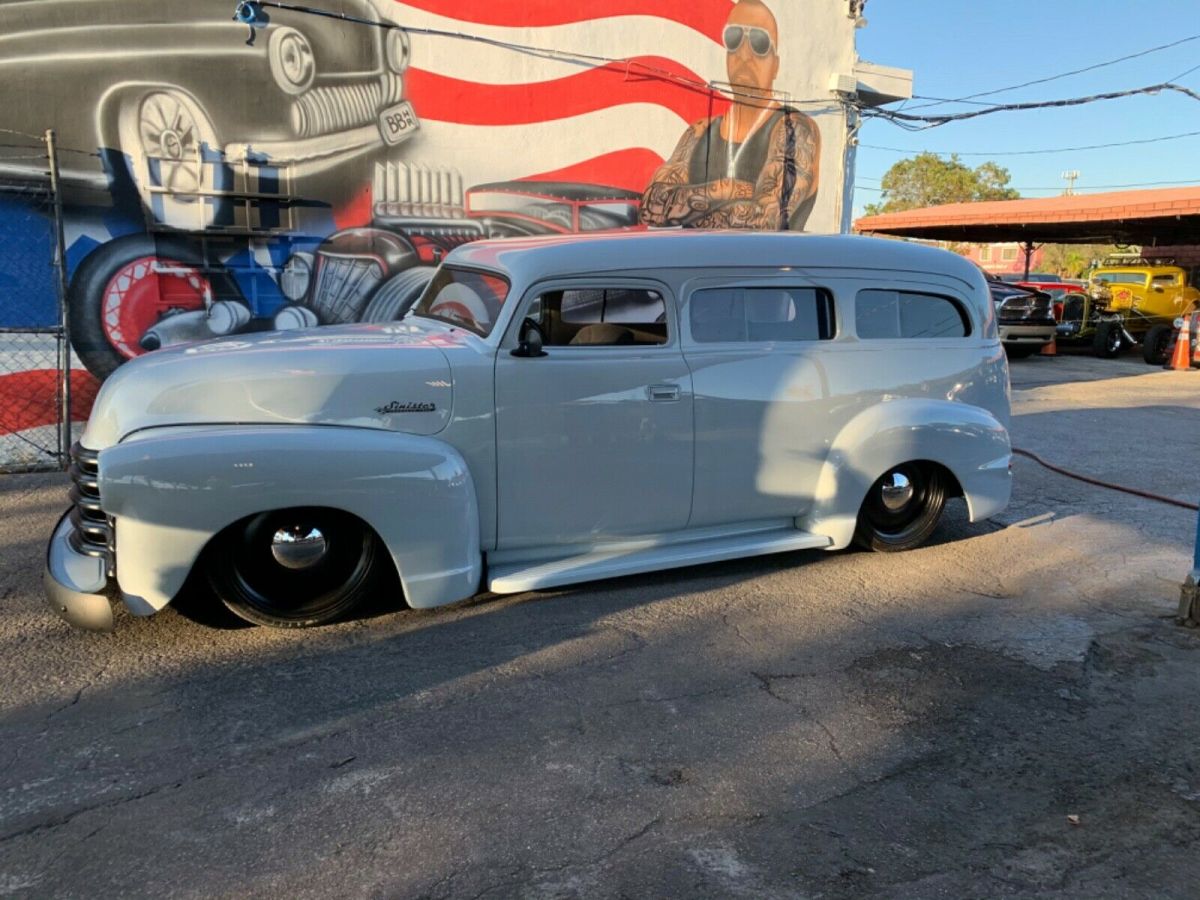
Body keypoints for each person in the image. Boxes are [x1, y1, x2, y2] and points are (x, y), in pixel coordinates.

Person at [640, 0, 820, 230]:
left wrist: (681, 209)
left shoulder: (793, 128)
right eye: (734, 39)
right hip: (700, 264)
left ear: (775, 65)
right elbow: (649, 207)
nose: (744, 54)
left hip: (767, 266)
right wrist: (728, 188)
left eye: (759, 42)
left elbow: (768, 219)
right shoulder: (699, 132)